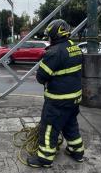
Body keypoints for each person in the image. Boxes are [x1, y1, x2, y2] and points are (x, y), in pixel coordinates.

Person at [27, 19, 84, 168]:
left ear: (54, 35)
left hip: (58, 101)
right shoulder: (75, 48)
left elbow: (41, 78)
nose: (48, 38)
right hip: (75, 99)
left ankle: (44, 159)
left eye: (49, 35)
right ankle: (77, 151)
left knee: (49, 128)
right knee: (70, 124)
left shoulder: (53, 52)